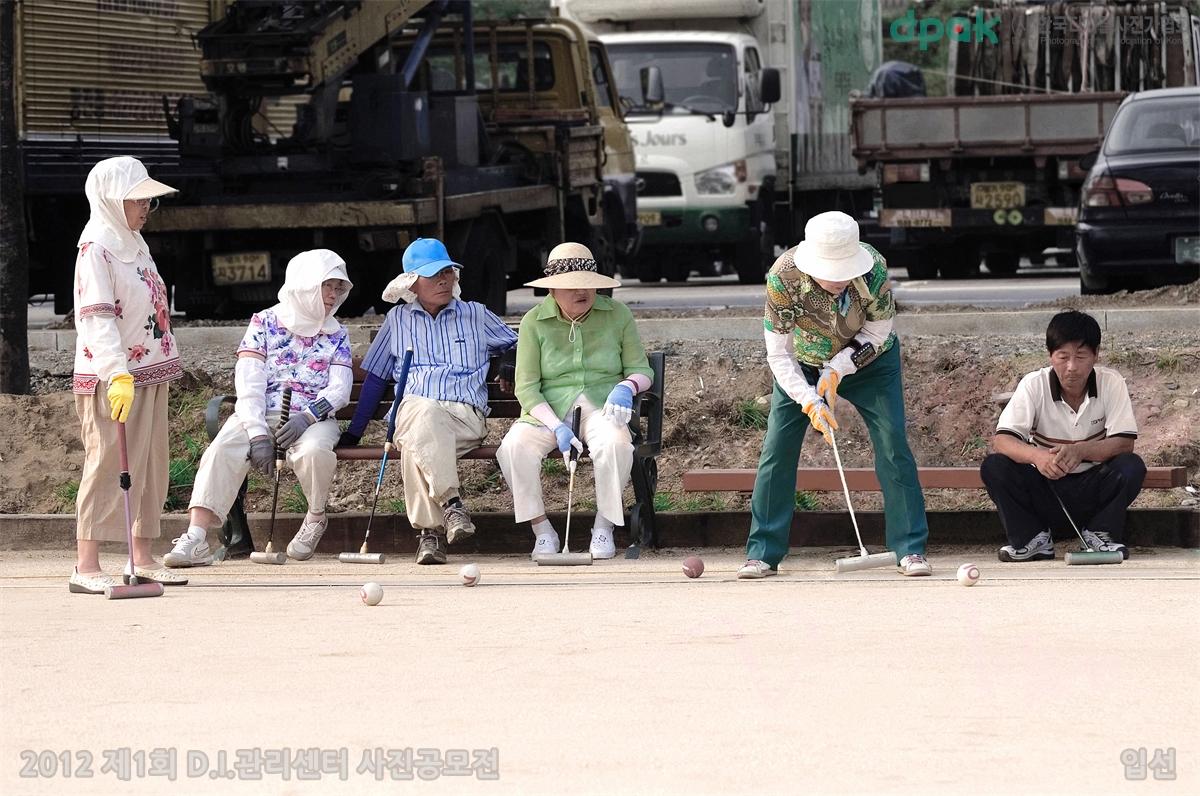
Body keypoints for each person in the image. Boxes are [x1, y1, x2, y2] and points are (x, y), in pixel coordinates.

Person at [739, 211, 932, 579]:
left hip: (870, 361)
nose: (843, 278)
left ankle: (909, 548)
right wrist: (809, 399)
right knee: (776, 449)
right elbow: (779, 354)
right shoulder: (782, 277)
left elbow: (878, 333)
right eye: (834, 271)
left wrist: (837, 370)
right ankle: (762, 552)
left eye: (847, 270)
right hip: (802, 363)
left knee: (892, 441)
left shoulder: (874, 269)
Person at [165, 250, 354, 566]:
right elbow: (249, 385)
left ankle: (315, 517)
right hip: (259, 413)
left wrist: (307, 416)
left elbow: (340, 390)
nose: (334, 295)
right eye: (327, 286)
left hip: (313, 418)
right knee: (221, 450)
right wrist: (257, 435)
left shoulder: (338, 333)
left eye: (339, 288)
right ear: (306, 284)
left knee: (313, 452)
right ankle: (195, 539)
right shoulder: (264, 322)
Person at [340, 238, 518, 565]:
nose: (444, 280)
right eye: (434, 274)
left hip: (464, 415)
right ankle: (451, 506)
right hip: (413, 410)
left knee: (413, 447)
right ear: (412, 283)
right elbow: (376, 377)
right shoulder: (397, 320)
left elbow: (519, 344)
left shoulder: (475, 314)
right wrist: (355, 431)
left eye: (448, 272)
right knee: (423, 410)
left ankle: (430, 535)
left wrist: (510, 356)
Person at [69, 156, 187, 593]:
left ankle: (143, 556)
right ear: (111, 200)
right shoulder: (95, 249)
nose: (145, 209)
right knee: (107, 465)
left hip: (151, 373)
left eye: (148, 201)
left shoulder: (134, 243)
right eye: (137, 200)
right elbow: (96, 318)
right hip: (114, 378)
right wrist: (116, 373)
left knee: (150, 466)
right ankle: (86, 566)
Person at [496, 242, 653, 560]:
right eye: (572, 286)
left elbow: (642, 370)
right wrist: (556, 426)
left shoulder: (618, 314)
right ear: (552, 289)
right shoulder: (533, 322)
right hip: (547, 413)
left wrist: (627, 387)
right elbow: (526, 388)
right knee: (512, 448)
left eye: (588, 284)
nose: (582, 291)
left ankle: (604, 527)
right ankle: (542, 531)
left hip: (602, 408)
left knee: (616, 444)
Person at [982, 309, 1144, 561]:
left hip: (1093, 489)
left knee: (1131, 466)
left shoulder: (1111, 382)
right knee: (995, 466)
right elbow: (1003, 440)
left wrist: (1080, 451)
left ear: (1096, 354)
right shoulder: (1033, 385)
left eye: (1081, 356)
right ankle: (1032, 538)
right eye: (1063, 356)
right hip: (1046, 488)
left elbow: (1124, 443)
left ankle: (1100, 533)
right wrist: (1038, 457)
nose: (1072, 367)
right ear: (1050, 355)